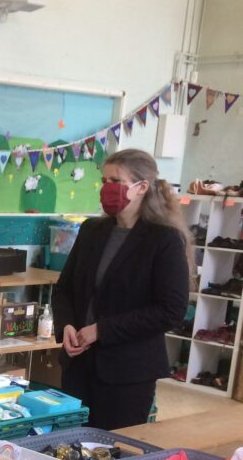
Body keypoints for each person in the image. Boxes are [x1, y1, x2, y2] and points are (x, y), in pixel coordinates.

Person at [52, 148, 190, 430]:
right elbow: (64, 289)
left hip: (127, 372)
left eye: (115, 181)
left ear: (141, 187)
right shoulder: (92, 230)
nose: (107, 189)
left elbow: (171, 311)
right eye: (103, 181)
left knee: (112, 452)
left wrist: (101, 330)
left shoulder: (164, 240)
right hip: (79, 365)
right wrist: (66, 324)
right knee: (68, 446)